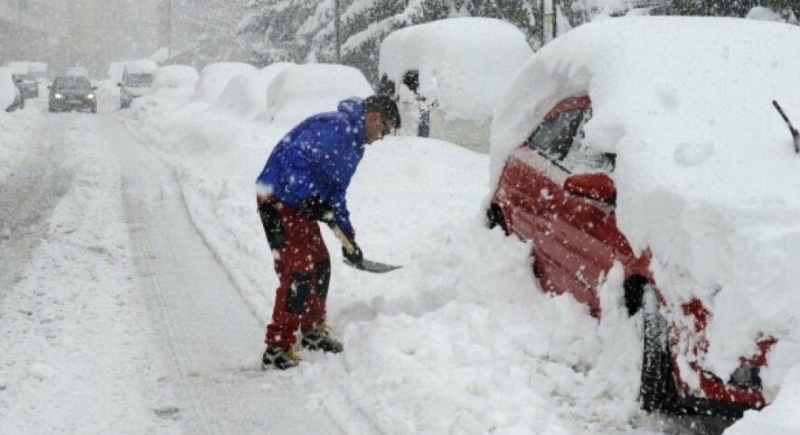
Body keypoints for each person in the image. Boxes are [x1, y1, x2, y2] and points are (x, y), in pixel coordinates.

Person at [255, 95, 401, 370]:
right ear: (373, 118)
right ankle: (277, 347)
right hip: (276, 198)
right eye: (384, 128)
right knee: (297, 270)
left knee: (320, 264)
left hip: (299, 206)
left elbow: (336, 192)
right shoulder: (335, 127)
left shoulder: (355, 146)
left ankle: (312, 330)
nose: (382, 136)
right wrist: (309, 195)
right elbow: (292, 159)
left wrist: (348, 236)